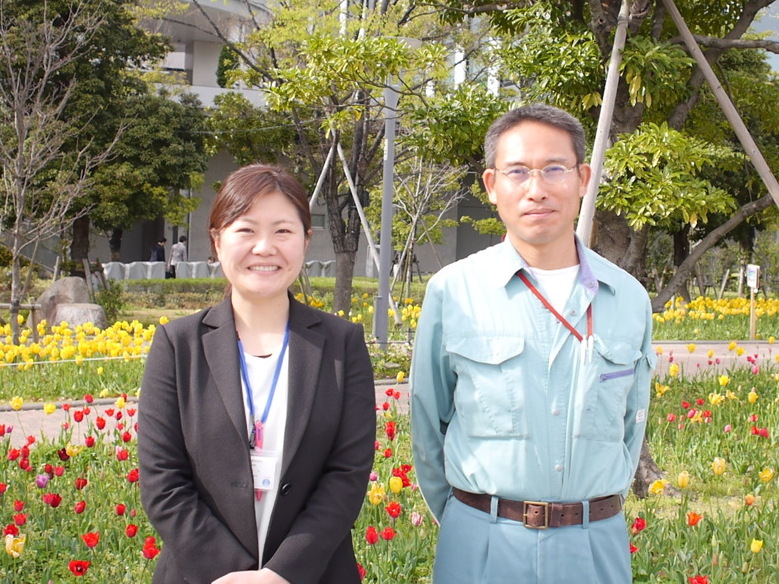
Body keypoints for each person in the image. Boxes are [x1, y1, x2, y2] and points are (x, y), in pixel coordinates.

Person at [410, 103, 656, 583]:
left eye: (554, 170)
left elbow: (631, 425)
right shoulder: (453, 291)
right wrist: (474, 518)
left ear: (584, 178)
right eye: (517, 171)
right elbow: (427, 426)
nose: (536, 189)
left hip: (594, 546)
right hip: (481, 544)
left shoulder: (628, 298)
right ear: (491, 184)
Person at [138, 164, 376, 584]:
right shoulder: (178, 345)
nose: (265, 248)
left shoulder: (341, 344)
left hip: (314, 573)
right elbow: (163, 480)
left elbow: (347, 474)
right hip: (202, 575)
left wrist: (282, 574)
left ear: (305, 240)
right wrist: (233, 573)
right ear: (217, 241)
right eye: (246, 230)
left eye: (283, 231)